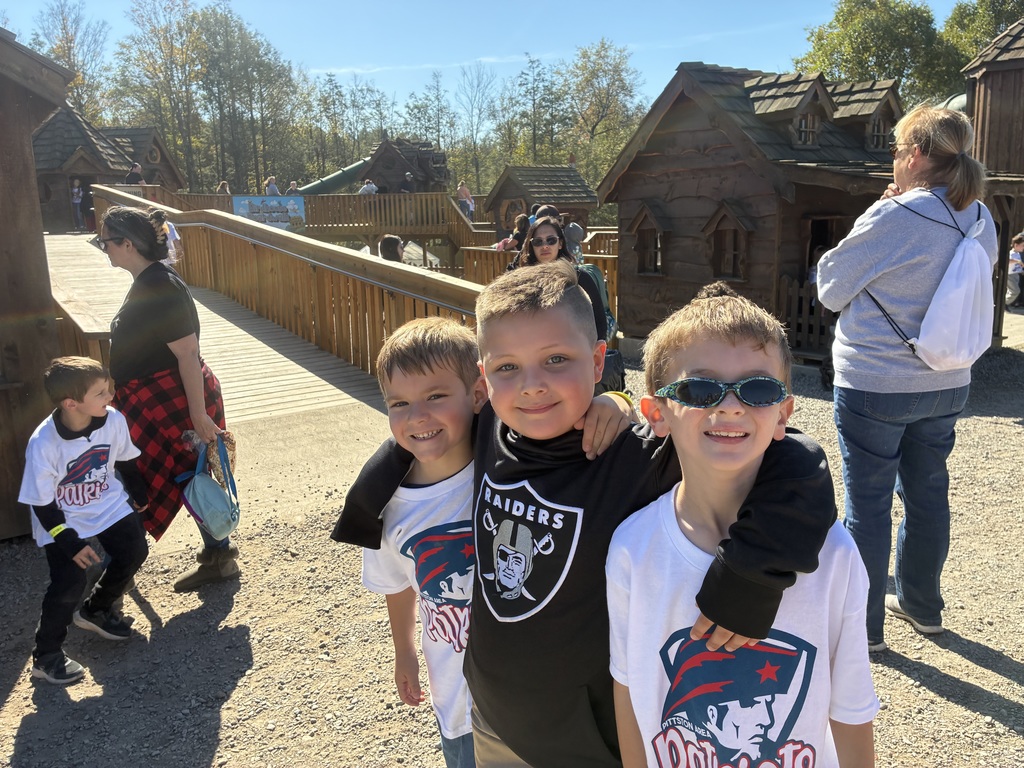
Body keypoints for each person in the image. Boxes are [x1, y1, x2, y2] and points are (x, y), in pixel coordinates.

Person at [335, 261, 837, 767]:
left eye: (556, 359)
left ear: (598, 361)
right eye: (508, 367)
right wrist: (363, 507)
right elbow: (415, 427)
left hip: (587, 744)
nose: (532, 385)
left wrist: (753, 571)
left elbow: (795, 455)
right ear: (484, 379)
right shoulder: (487, 426)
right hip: (491, 716)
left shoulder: (641, 453)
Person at [607, 284, 877, 768]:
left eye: (757, 389)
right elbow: (628, 691)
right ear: (657, 414)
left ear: (783, 414)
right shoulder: (632, 549)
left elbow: (851, 704)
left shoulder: (834, 554)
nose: (731, 405)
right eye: (700, 388)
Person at [817, 105, 998, 652]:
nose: (893, 161)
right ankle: (923, 606)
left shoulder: (895, 216)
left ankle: (866, 630)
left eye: (897, 151)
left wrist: (872, 216)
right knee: (927, 493)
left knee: (867, 507)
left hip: (876, 381)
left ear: (915, 155)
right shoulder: (981, 217)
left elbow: (829, 288)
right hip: (947, 379)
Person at [362, 318, 487, 768]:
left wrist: (614, 400)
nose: (417, 416)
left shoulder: (513, 465)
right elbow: (397, 583)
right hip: (458, 700)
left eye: (436, 396)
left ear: (477, 392)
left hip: (534, 697)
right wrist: (405, 652)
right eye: (399, 403)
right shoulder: (386, 504)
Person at [99, 205, 239, 592]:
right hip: (156, 396)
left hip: (172, 397)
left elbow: (187, 354)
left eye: (105, 242)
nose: (103, 248)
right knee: (180, 473)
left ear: (127, 243)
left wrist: (197, 414)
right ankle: (215, 555)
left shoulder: (159, 284)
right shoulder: (150, 280)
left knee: (179, 474)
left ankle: (120, 566)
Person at [19, 357, 150, 684]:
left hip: (105, 501)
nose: (110, 397)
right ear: (71, 403)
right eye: (101, 393)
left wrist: (140, 494)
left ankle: (96, 609)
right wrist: (69, 542)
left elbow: (127, 459)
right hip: (61, 517)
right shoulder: (43, 444)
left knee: (134, 550)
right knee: (69, 583)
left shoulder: (112, 420)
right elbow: (43, 504)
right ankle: (46, 656)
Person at [507, 216, 608, 341]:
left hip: (572, 350)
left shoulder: (580, 278)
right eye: (538, 242)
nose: (545, 246)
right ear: (532, 245)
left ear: (560, 243)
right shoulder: (522, 281)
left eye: (551, 240)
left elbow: (599, 323)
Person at [1006, 234, 1023, 309]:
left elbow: (1017, 265)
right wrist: (1017, 261)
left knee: (1011, 291)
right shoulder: (1011, 253)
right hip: (1010, 275)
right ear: (1016, 245)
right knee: (1015, 291)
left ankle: (1006, 304)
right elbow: (1008, 261)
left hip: (1016, 275)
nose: (1023, 248)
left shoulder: (1017, 254)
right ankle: (1005, 303)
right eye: (1022, 245)